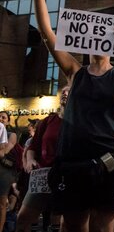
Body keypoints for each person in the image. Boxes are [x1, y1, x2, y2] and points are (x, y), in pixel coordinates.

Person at [24, 0, 114, 232]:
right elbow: (46, 32)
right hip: (73, 161)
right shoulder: (74, 72)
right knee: (73, 225)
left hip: (109, 160)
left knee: (104, 227)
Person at [15, 86, 69, 232]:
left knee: (64, 222)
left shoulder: (81, 120)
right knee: (22, 219)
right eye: (63, 91)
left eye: (69, 91)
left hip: (68, 175)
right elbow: (33, 146)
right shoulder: (48, 121)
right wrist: (31, 160)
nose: (64, 93)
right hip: (44, 174)